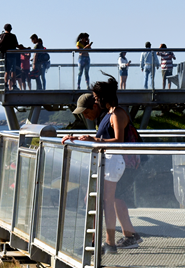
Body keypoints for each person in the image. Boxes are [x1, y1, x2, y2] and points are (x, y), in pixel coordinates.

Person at [61, 77, 142, 254]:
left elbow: (119, 141)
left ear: (104, 97)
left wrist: (95, 139)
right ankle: (121, 238)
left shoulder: (118, 114)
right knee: (111, 200)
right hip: (114, 164)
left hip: (120, 164)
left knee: (105, 201)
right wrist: (78, 138)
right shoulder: (109, 115)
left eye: (97, 97)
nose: (95, 100)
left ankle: (106, 243)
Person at [0, 24, 24, 90]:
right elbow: (16, 45)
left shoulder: (2, 36)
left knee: (6, 71)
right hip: (12, 55)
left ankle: (5, 85)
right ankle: (14, 85)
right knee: (13, 71)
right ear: (11, 29)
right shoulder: (12, 36)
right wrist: (24, 48)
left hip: (5, 56)